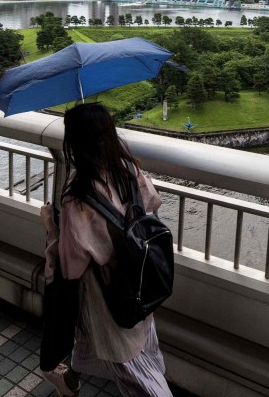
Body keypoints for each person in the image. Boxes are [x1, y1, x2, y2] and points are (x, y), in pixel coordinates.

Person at [40, 103, 172, 397]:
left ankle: (69, 380)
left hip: (108, 295)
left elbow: (71, 265)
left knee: (134, 368)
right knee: (98, 337)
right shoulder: (127, 169)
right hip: (138, 278)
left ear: (75, 143)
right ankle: (70, 381)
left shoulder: (78, 197)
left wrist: (52, 227)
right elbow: (152, 201)